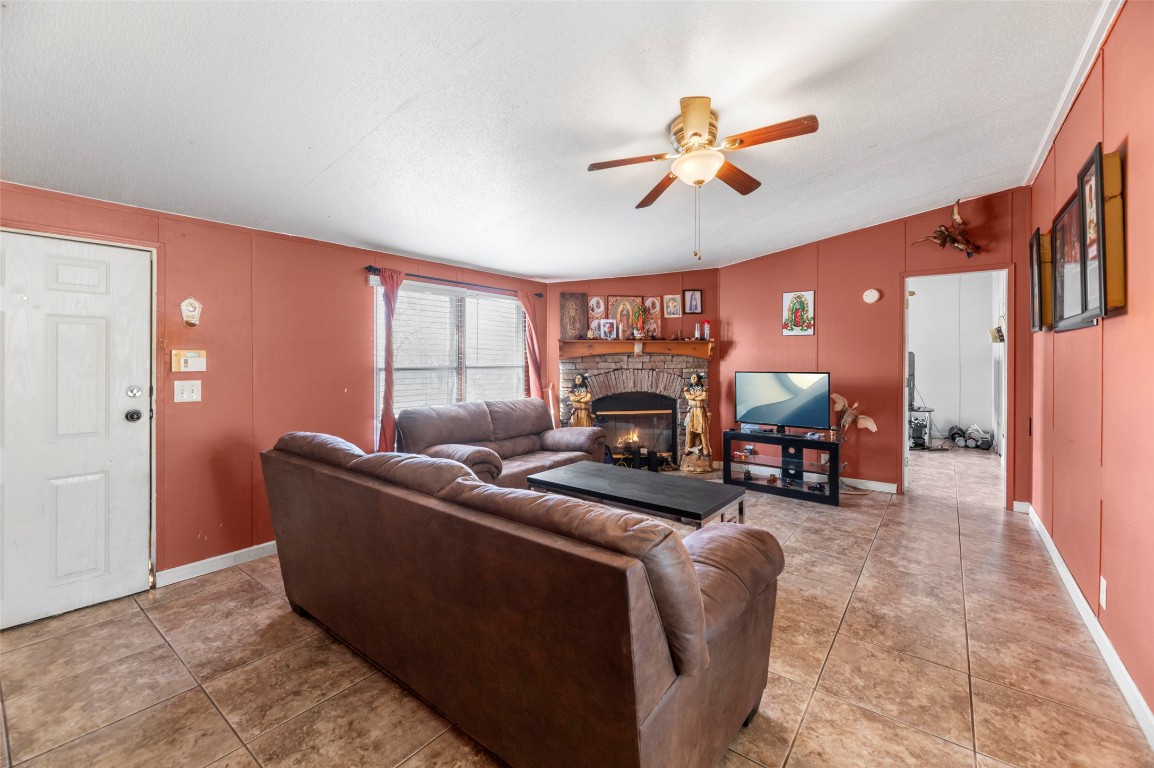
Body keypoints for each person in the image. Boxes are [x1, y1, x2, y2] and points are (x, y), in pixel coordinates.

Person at [683, 373, 711, 458]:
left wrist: (692, 396)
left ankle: (706, 449)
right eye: (692, 377)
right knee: (689, 430)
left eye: (694, 377)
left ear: (698, 379)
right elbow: (687, 397)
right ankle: (688, 448)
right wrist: (697, 395)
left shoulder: (703, 389)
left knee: (702, 430)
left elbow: (703, 397)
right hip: (692, 411)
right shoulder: (688, 389)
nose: (693, 378)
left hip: (699, 411)